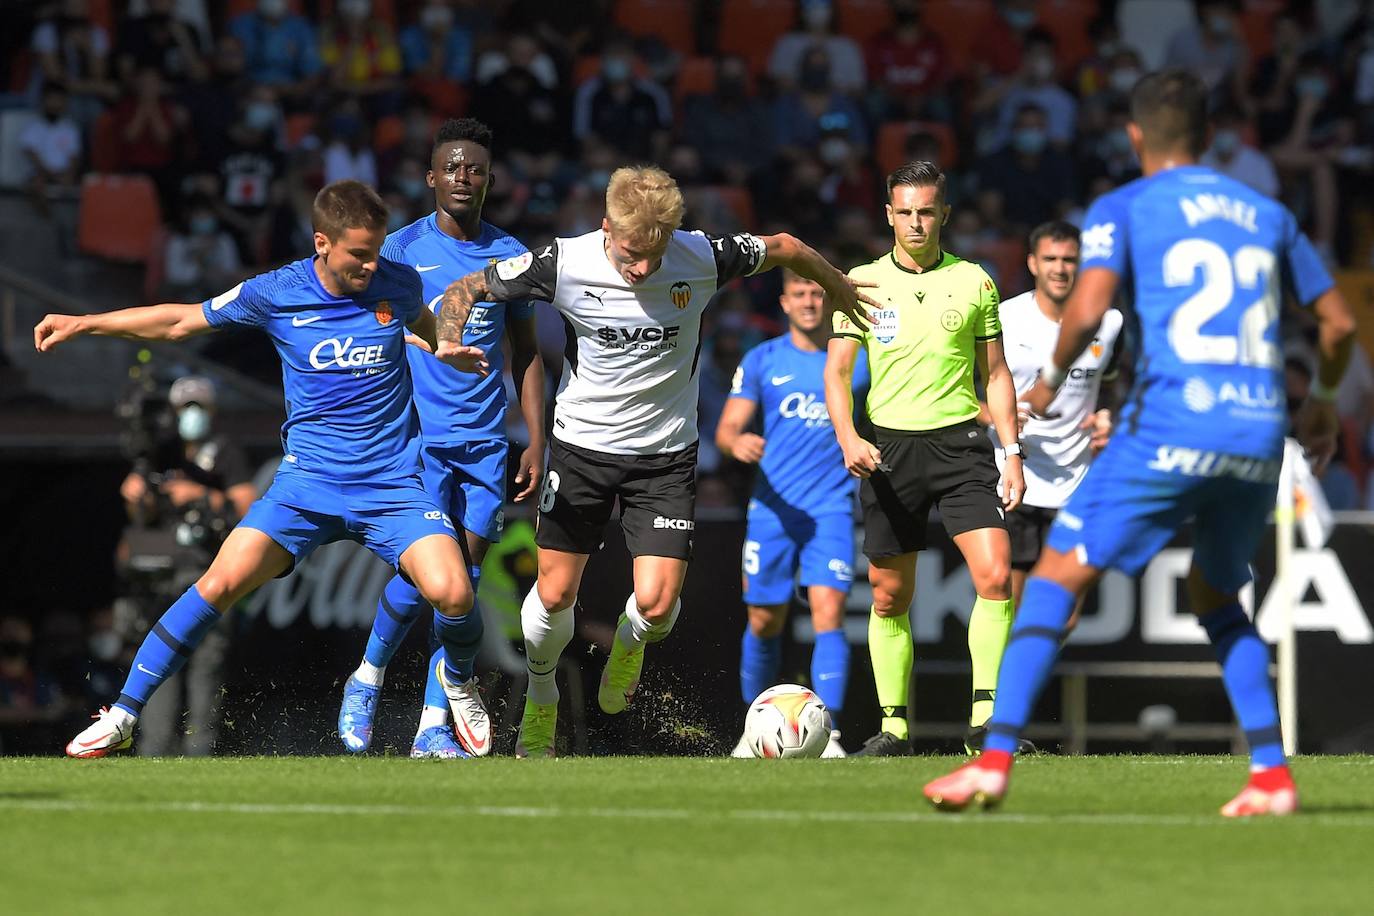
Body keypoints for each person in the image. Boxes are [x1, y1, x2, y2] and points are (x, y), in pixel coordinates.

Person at [923, 70, 1356, 817]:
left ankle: (992, 764)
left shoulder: (1123, 205)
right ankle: (1271, 776)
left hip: (1171, 424)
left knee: (1053, 581)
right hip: (1257, 430)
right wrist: (1319, 403)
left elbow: (1089, 306)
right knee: (1218, 597)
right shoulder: (1267, 211)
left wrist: (1053, 378)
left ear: (1134, 136)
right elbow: (1340, 324)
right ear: (1208, 133)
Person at [35, 180, 492, 758]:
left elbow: (423, 321)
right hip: (307, 486)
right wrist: (85, 323)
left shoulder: (395, 282)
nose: (372, 263)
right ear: (322, 242)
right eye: (359, 253)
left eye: (377, 250)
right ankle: (123, 714)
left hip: (392, 485)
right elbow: (179, 321)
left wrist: (442, 343)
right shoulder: (277, 291)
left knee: (454, 594)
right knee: (219, 583)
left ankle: (458, 683)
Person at [432, 166, 876, 757]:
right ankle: (543, 693)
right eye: (632, 253)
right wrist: (447, 338)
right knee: (556, 594)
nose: (643, 267)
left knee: (658, 607)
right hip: (582, 449)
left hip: (664, 456)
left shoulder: (700, 255)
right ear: (606, 228)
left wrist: (837, 285)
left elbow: (785, 247)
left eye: (655, 253)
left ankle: (630, 641)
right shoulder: (563, 262)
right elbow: (467, 287)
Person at [338, 119, 546, 759]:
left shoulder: (510, 256)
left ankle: (433, 725)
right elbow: (364, 338)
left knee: (465, 583)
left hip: (485, 444)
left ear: (490, 178)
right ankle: (367, 676)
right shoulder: (398, 253)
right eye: (451, 167)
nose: (463, 177)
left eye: (475, 168)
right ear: (431, 177)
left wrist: (537, 440)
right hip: (417, 443)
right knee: (428, 575)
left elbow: (529, 353)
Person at [824, 161, 1025, 757]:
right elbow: (835, 374)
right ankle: (895, 730)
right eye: (904, 211)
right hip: (890, 449)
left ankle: (985, 723)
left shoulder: (976, 282)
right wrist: (847, 437)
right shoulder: (858, 282)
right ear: (888, 214)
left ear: (944, 215)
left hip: (962, 444)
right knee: (889, 597)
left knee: (995, 575)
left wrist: (1011, 452)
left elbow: (997, 374)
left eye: (926, 211)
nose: (915, 222)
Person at [717, 271, 869, 758]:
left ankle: (832, 736)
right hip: (773, 509)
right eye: (800, 294)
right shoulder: (763, 359)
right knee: (763, 621)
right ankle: (751, 729)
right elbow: (726, 429)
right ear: (784, 302)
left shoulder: (856, 361)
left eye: (818, 294)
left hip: (831, 508)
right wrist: (738, 441)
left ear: (831, 301)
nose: (809, 302)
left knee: (829, 616)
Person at [984, 222, 1121, 635]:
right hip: (1016, 479)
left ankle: (1031, 696)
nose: (1060, 269)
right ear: (1032, 263)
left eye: (1069, 260)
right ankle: (1007, 700)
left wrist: (1106, 416)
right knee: (1015, 613)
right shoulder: (1004, 318)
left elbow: (1110, 385)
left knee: (1066, 617)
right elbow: (964, 392)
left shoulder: (1109, 322)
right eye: (1050, 259)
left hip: (1078, 483)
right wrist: (993, 415)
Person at [121, 376, 258, 757]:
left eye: (199, 406)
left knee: (205, 669)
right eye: (185, 407)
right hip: (160, 576)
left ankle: (201, 749)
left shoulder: (225, 450)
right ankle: (154, 748)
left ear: (212, 410)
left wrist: (200, 494)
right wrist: (136, 494)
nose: (191, 414)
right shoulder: (161, 451)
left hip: (207, 574)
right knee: (160, 664)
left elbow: (247, 506)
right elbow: (140, 515)